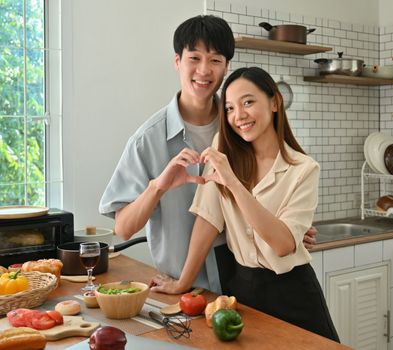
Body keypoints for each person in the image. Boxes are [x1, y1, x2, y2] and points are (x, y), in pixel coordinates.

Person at [99, 15, 316, 295]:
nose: (204, 70)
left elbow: (274, 194)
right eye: (194, 58)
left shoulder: (243, 127)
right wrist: (158, 187)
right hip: (183, 287)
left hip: (244, 284)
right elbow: (124, 229)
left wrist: (293, 231)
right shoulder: (147, 140)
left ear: (227, 67)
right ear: (178, 62)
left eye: (215, 60)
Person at [157, 66, 339, 342]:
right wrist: (183, 283)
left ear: (275, 102)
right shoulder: (222, 149)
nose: (238, 116)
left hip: (293, 293)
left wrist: (232, 182)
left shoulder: (304, 169)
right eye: (229, 108)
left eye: (248, 102)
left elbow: (283, 245)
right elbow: (208, 219)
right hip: (241, 290)